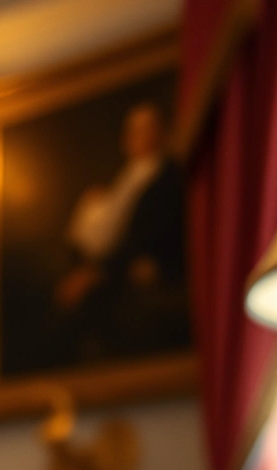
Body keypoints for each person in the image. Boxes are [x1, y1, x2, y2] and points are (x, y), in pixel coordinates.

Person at [52, 101, 190, 364]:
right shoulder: (125, 179)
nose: (139, 137)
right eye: (134, 131)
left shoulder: (166, 176)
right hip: (110, 264)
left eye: (147, 129)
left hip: (142, 270)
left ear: (160, 132)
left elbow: (146, 234)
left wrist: (97, 272)